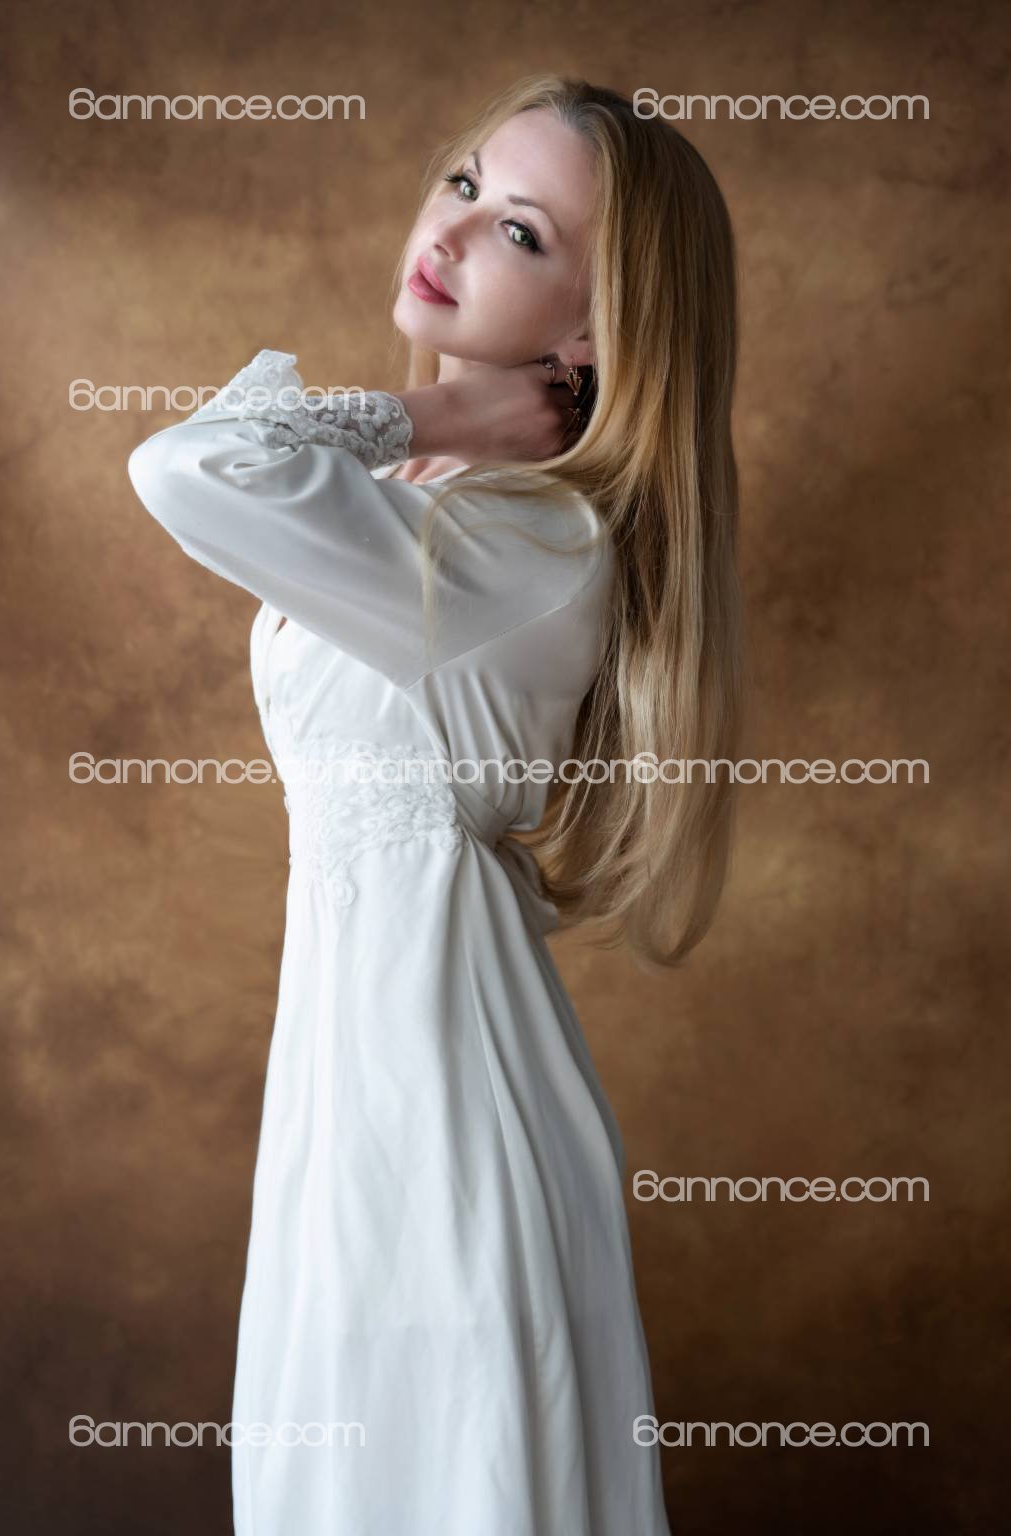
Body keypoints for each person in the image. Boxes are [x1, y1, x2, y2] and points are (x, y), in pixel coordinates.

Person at [127, 72, 741, 1536]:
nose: (453, 232)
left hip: (444, 1115)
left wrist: (440, 405)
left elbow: (184, 466)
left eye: (522, 231)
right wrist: (435, 425)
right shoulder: (421, 499)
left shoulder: (529, 539)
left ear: (593, 333)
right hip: (353, 1083)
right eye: (464, 183)